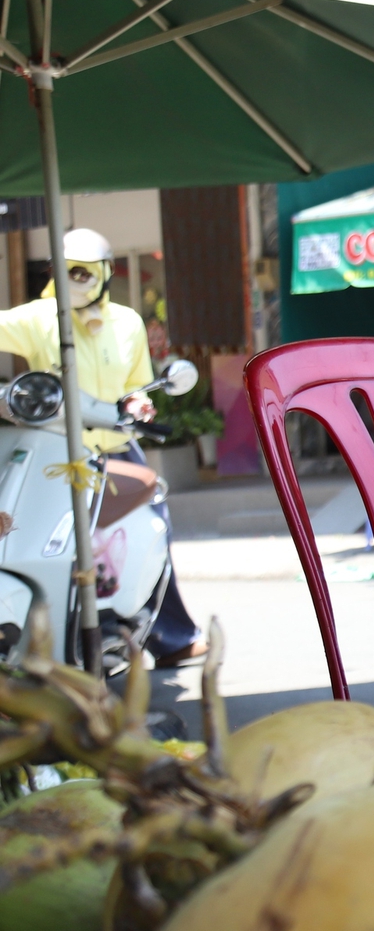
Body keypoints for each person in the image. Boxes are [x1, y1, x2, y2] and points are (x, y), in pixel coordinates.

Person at [0, 227, 204, 664]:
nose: (74, 279)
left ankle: (168, 636)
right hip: (58, 453)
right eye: (65, 270)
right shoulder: (39, 316)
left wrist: (139, 402)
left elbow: (136, 384)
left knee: (155, 531)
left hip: (114, 447)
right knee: (38, 539)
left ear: (107, 273)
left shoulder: (128, 321)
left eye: (83, 272)